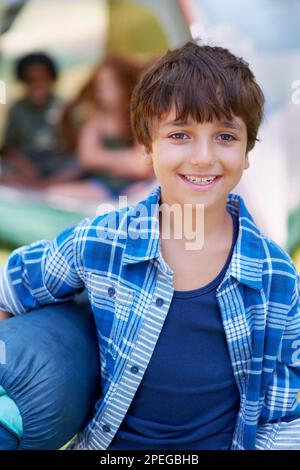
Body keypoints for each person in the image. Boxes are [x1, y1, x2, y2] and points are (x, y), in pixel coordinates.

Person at [1, 40, 300, 450]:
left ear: (248, 151)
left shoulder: (275, 277)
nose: (202, 157)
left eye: (225, 136)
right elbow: (15, 285)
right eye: (180, 134)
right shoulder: (102, 241)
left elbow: (282, 416)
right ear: (147, 147)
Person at [46, 55, 155, 203]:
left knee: (140, 203)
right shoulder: (97, 116)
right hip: (103, 186)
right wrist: (125, 162)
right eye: (99, 84)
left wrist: (102, 159)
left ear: (124, 83)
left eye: (109, 83)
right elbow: (86, 158)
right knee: (55, 195)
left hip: (135, 188)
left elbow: (141, 166)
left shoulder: (140, 115)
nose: (101, 90)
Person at [1, 52, 80, 188]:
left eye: (42, 79)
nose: (37, 85)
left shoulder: (64, 107)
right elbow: (8, 148)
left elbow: (75, 149)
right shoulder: (17, 108)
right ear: (23, 81)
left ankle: (46, 186)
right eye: (31, 80)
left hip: (57, 167)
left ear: (52, 79)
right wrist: (25, 167)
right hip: (25, 166)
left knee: (78, 167)